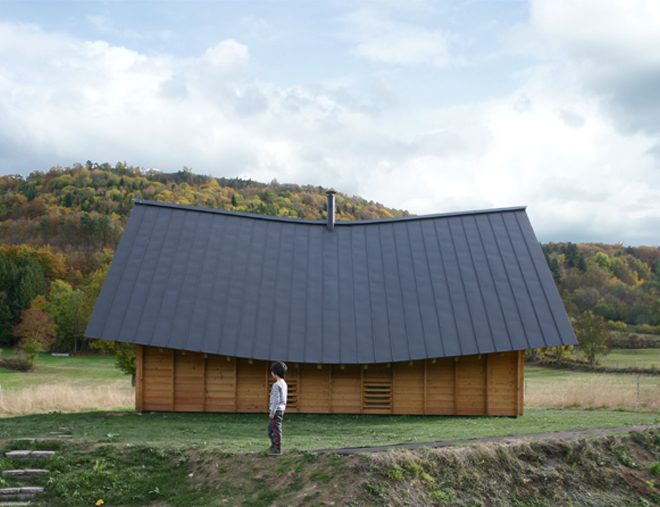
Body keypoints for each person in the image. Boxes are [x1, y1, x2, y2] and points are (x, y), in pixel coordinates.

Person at [267, 361, 288, 455]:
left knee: (274, 430)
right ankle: (274, 446)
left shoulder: (276, 385)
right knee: (272, 429)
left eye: (271, 371)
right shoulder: (284, 383)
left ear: (274, 373)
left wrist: (272, 412)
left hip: (276, 410)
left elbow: (276, 400)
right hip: (281, 409)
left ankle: (277, 448)